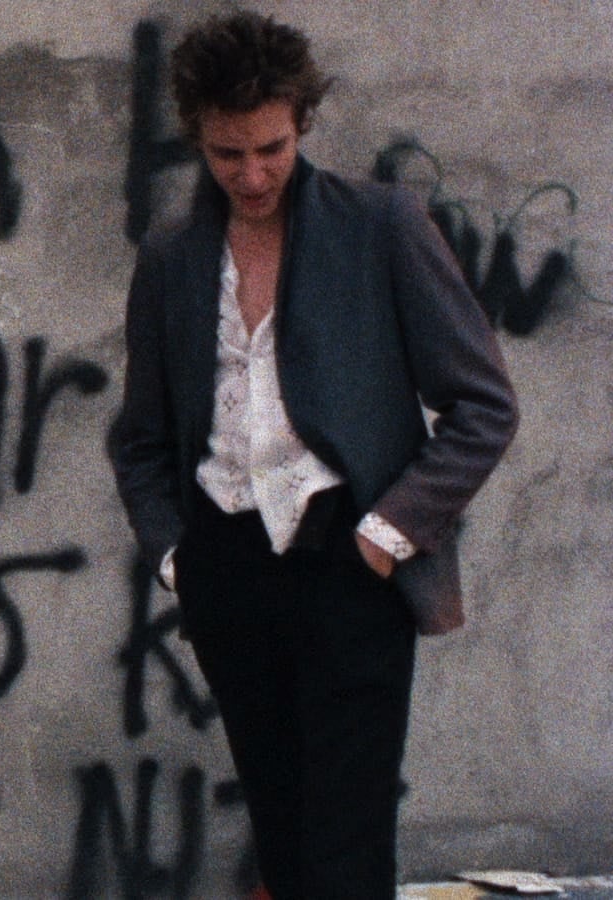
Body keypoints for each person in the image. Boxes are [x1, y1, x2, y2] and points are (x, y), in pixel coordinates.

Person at [107, 11, 517, 899]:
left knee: (348, 846)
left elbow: (484, 406)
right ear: (197, 138)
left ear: (301, 123)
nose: (253, 175)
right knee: (284, 835)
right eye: (228, 154)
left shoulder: (379, 226)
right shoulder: (172, 257)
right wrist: (179, 559)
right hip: (226, 571)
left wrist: (385, 535)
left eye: (272, 148)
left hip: (350, 566)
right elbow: (140, 441)